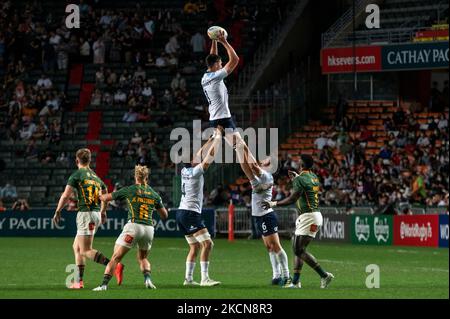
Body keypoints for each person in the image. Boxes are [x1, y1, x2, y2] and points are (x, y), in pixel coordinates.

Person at [52, 148, 124, 289]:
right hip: (95, 213)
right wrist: (103, 212)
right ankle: (79, 281)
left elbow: (66, 195)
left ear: (76, 160)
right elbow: (105, 195)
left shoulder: (77, 175)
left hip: (86, 214)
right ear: (89, 160)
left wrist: (58, 210)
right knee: (77, 247)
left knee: (85, 250)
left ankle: (114, 265)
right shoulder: (96, 177)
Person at [262, 154, 334, 289]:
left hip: (308, 217)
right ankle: (296, 282)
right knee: (298, 248)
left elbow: (292, 198)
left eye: (299, 161)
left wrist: (274, 203)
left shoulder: (300, 179)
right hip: (315, 215)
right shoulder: (313, 177)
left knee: (298, 250)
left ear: (302, 164)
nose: (297, 162)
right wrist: (296, 178)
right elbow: (305, 188)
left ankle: (324, 275)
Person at [93, 165, 168, 291]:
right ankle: (148, 280)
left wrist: (99, 195)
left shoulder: (130, 190)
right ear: (147, 177)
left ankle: (103, 285)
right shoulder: (154, 194)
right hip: (149, 229)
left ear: (135, 176)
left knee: (115, 257)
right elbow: (165, 215)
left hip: (134, 226)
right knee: (143, 258)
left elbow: (105, 198)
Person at [236, 143, 293, 288]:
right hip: (259, 216)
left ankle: (287, 276)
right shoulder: (259, 177)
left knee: (276, 246)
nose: (262, 161)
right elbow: (245, 166)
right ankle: (276, 275)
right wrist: (239, 149)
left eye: (266, 161)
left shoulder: (266, 176)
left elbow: (253, 165)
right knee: (269, 247)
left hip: (267, 216)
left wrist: (244, 147)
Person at [177, 128, 222, 287]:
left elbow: (199, 153)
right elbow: (208, 157)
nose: (197, 156)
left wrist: (210, 139)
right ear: (191, 160)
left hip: (181, 212)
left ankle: (188, 279)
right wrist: (217, 139)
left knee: (194, 246)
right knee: (208, 244)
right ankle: (204, 279)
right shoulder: (196, 172)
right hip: (190, 213)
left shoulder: (184, 170)